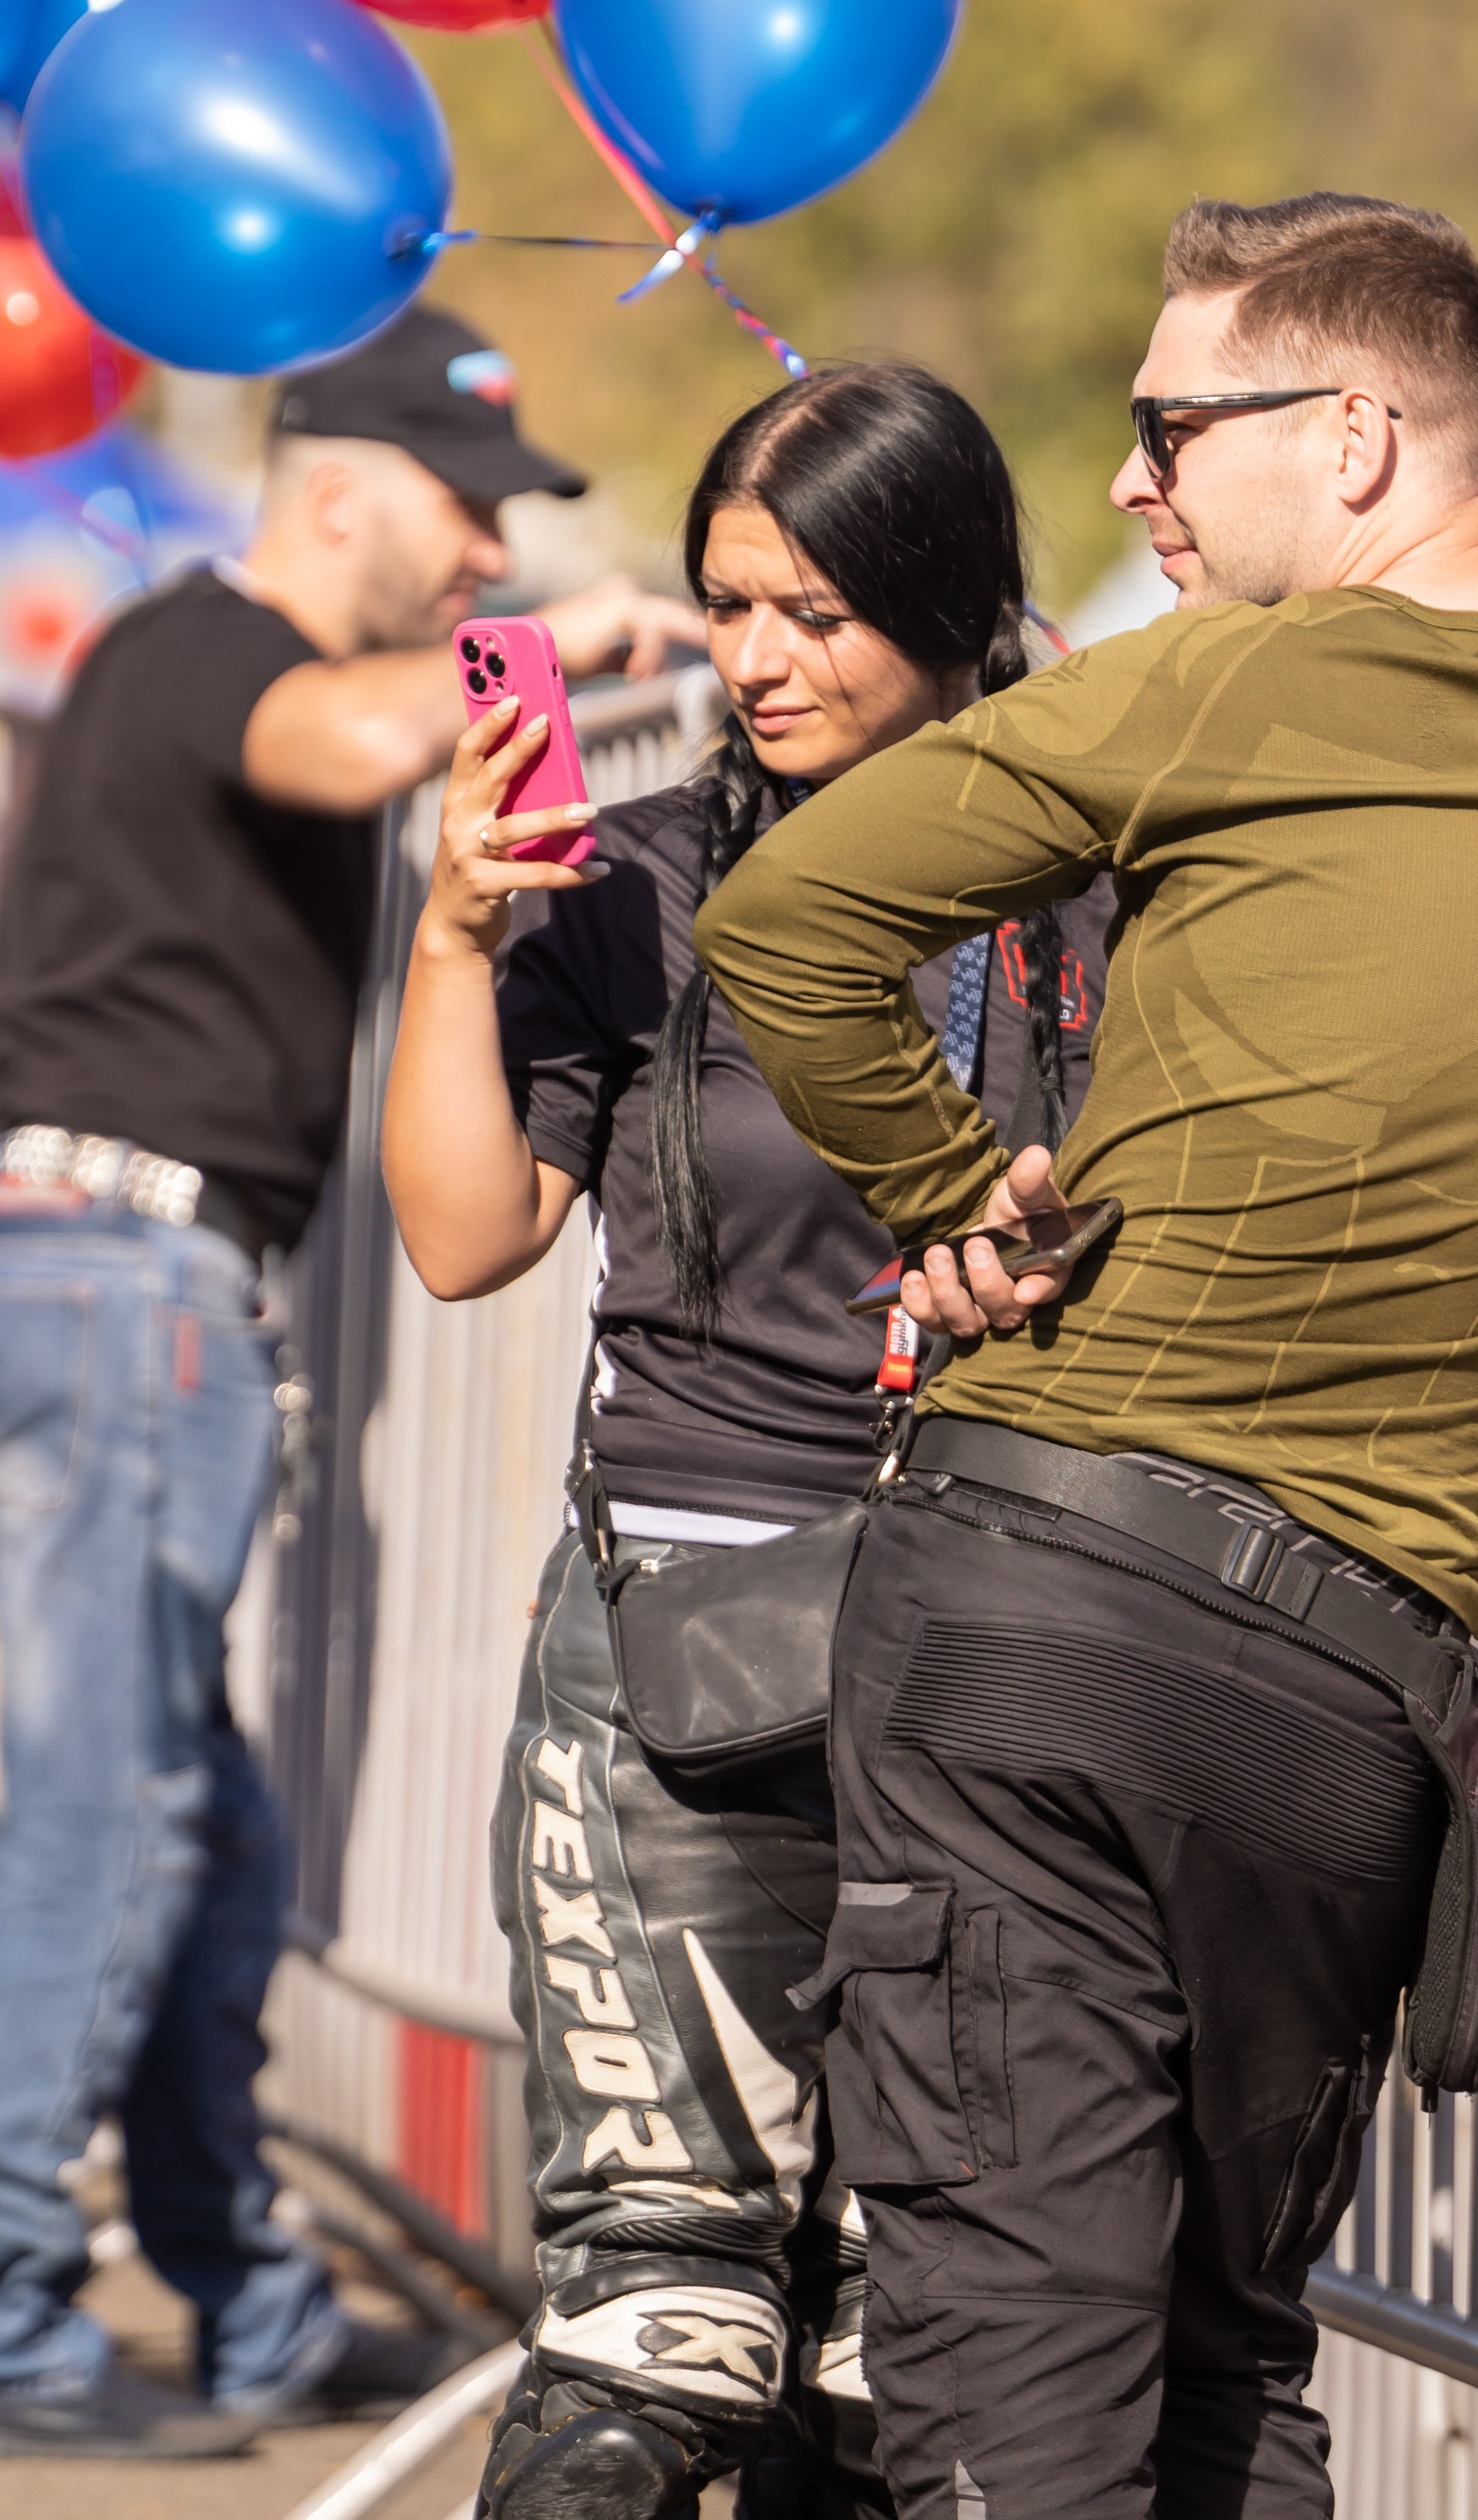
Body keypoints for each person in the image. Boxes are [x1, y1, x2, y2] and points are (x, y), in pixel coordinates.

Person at [690, 194, 1478, 2518]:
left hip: (1041, 1612)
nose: (1129, 486)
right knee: (1228, 2386)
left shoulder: (1210, 684)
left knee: (1010, 2407)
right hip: (1354, 1692)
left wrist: (962, 1187)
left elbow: (784, 917)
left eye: (1173, 426)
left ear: (1358, 434)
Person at [0, 301, 703, 2461]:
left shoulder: (206, 658)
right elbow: (358, 746)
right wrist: (582, 651)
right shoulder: (205, 653)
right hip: (115, 1281)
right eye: (466, 520)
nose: (485, 561)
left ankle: (243, 2296)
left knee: (208, 1832)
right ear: (335, 488)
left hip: (104, 1277)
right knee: (117, 1814)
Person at [380, 363, 1111, 2520]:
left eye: (820, 609)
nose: (762, 660)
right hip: (676, 1641)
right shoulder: (637, 880)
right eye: (729, 606)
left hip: (998, 1648)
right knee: (648, 2328)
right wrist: (456, 929)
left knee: (925, 2357)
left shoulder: (1099, 887)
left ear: (964, 606)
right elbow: (457, 1236)